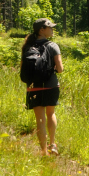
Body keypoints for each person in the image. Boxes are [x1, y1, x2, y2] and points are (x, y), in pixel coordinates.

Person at [21, 18, 64, 156]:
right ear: (42, 30)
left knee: (40, 120)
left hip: (34, 87)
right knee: (50, 114)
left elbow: (22, 69)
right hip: (51, 85)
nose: (52, 29)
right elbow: (60, 68)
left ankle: (43, 151)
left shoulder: (27, 47)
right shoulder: (53, 46)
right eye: (49, 27)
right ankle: (52, 145)